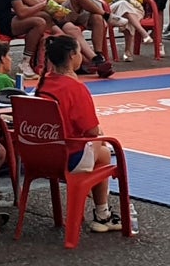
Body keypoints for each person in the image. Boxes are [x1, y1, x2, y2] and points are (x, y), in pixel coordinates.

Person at [35, 35, 123, 232]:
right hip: (68, 158)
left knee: (100, 150)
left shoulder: (43, 84)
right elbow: (92, 130)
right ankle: (102, 213)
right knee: (104, 149)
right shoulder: (75, 89)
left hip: (40, 156)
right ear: (73, 55)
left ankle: (102, 213)